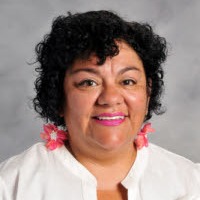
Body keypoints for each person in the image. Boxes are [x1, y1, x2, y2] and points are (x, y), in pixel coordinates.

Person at [0, 10, 199, 200]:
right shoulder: (11, 185)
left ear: (147, 93)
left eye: (128, 81)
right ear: (58, 96)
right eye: (89, 82)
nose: (110, 98)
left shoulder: (191, 183)